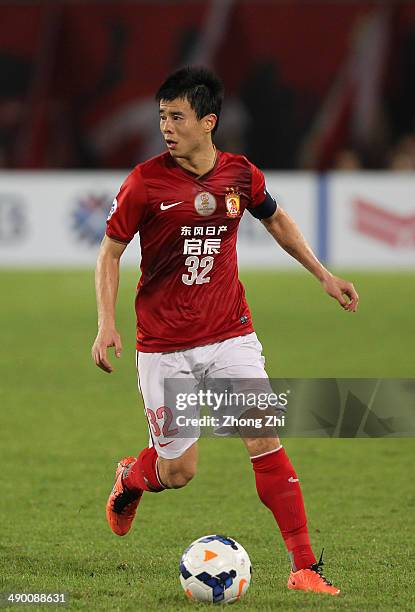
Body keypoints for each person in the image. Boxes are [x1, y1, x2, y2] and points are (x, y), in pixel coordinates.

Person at [91, 66, 359, 597]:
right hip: (165, 346)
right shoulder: (144, 182)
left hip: (230, 334)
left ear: (208, 121)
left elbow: (276, 219)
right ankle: (132, 478)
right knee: (179, 471)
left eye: (177, 116)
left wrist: (323, 274)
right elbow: (111, 252)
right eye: (162, 116)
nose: (166, 126)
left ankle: (303, 566)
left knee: (263, 437)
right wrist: (105, 324)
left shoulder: (240, 174)